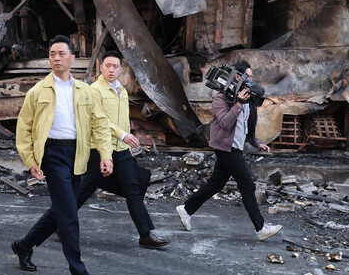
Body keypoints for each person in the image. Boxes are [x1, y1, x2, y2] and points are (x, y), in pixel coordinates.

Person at [10, 35, 113, 275]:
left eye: (62, 54)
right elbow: (24, 129)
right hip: (53, 154)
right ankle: (78, 272)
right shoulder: (37, 92)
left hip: (78, 153)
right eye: (52, 54)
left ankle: (24, 245)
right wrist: (31, 160)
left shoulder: (85, 91)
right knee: (69, 213)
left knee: (61, 209)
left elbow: (100, 124)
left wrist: (105, 154)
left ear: (72, 58)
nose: (56, 58)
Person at [176, 59, 282, 241]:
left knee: (216, 184)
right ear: (238, 78)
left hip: (235, 148)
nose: (252, 80)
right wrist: (238, 104)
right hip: (226, 148)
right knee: (247, 185)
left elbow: (246, 128)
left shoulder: (248, 101)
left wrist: (257, 143)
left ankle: (186, 209)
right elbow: (225, 122)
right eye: (248, 77)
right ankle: (261, 228)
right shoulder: (221, 98)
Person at [80, 50, 168, 248]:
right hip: (100, 150)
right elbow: (100, 121)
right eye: (108, 66)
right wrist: (123, 135)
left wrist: (125, 142)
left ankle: (146, 235)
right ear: (100, 67)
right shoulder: (94, 91)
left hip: (120, 150)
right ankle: (59, 222)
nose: (111, 70)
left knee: (133, 189)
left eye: (115, 66)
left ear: (121, 69)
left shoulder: (122, 90)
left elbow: (123, 120)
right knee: (84, 190)